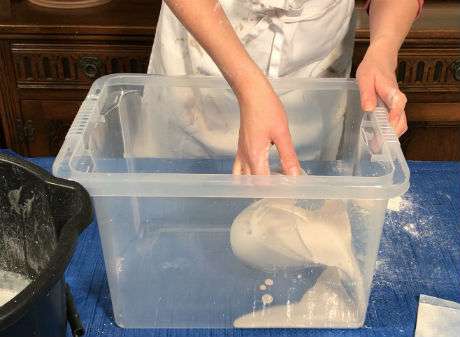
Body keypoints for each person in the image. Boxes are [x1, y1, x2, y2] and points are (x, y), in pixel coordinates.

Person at [147, 0, 423, 175]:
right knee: (184, 207)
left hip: (315, 70)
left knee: (299, 210)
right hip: (202, 50)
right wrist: (248, 84)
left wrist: (383, 49)